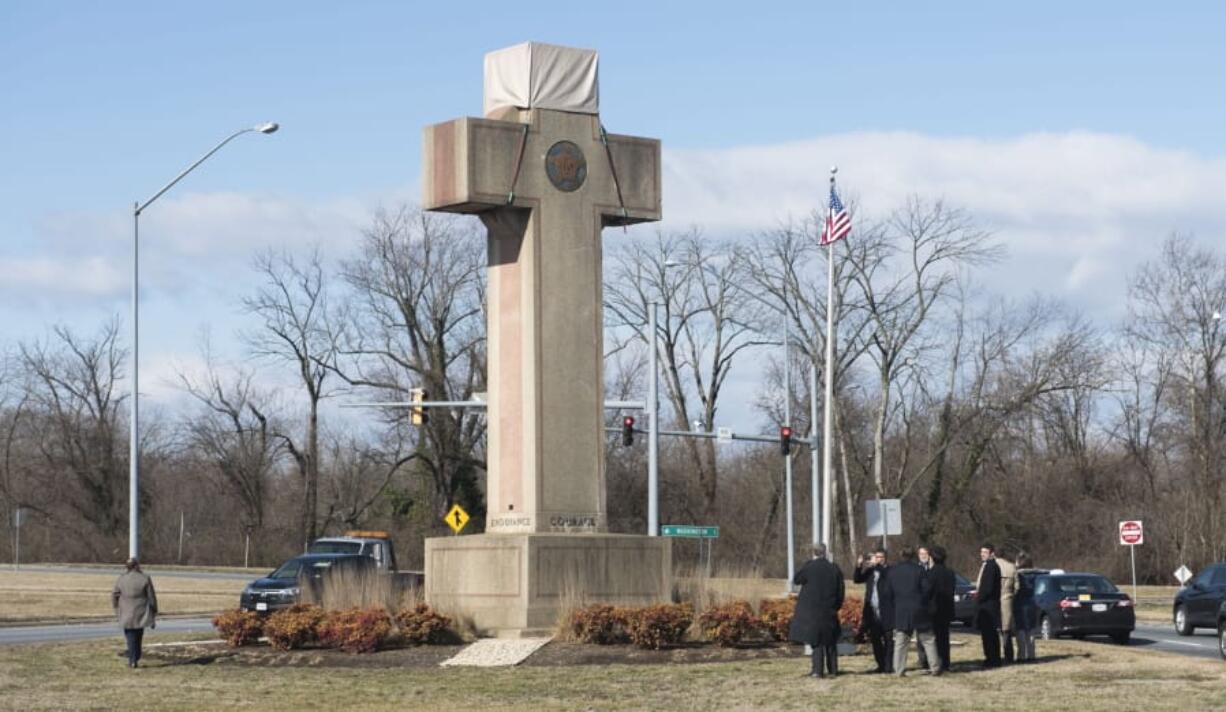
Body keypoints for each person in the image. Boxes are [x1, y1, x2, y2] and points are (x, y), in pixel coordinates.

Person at [789, 544, 846, 678]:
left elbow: (797, 580)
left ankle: (817, 670)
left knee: (817, 641)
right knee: (830, 640)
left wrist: (806, 564)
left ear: (814, 553)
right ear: (825, 552)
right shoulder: (834, 568)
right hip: (829, 609)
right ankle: (833, 670)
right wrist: (836, 606)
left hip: (812, 611)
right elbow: (841, 591)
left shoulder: (809, 567)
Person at [884, 546, 941, 676]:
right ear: (913, 556)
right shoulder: (919, 570)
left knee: (901, 641)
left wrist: (896, 603)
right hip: (919, 608)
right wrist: (922, 600)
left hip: (901, 609)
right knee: (928, 639)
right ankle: (935, 667)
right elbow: (927, 589)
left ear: (900, 555)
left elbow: (887, 592)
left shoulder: (893, 571)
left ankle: (898, 669)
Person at [853, 547, 894, 673]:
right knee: (876, 640)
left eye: (880, 557)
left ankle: (888, 666)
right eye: (876, 557)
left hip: (886, 610)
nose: (878, 559)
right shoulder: (871, 571)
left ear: (885, 558)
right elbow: (857, 579)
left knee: (888, 640)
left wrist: (878, 566)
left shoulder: (890, 570)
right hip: (872, 610)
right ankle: (880, 664)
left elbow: (886, 576)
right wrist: (859, 565)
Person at [112, 558, 157, 669]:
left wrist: (116, 607)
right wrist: (154, 610)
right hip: (140, 612)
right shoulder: (145, 578)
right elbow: (151, 597)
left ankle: (133, 659)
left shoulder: (121, 579)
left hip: (126, 612)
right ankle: (135, 657)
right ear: (137, 566)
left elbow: (115, 594)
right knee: (138, 635)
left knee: (129, 637)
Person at [924, 546, 956, 673]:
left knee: (933, 638)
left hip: (934, 609)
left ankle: (936, 662)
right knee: (944, 637)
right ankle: (946, 663)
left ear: (932, 558)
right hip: (947, 608)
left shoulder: (930, 574)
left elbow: (927, 591)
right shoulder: (950, 573)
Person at [975, 543, 1002, 668]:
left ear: (991, 553)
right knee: (989, 634)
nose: (982, 554)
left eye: (985, 552)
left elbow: (988, 588)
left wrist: (979, 597)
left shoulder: (991, 566)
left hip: (989, 605)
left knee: (989, 634)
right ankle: (992, 657)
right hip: (988, 604)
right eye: (981, 552)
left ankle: (992, 658)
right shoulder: (988, 566)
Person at [1013, 552, 1039, 662]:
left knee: (1021, 629)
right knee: (1031, 629)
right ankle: (1031, 654)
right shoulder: (1036, 575)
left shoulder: (1019, 575)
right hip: (1032, 603)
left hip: (1020, 603)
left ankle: (1021, 655)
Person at [998, 547, 1018, 664]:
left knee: (995, 629)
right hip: (1007, 600)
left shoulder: (992, 566)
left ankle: (995, 655)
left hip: (995, 600)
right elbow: (1017, 587)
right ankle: (1008, 655)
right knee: (1007, 630)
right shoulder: (1012, 567)